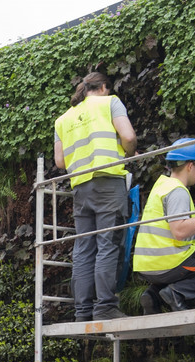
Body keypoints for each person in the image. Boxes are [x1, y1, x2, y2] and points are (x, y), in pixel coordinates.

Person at [54, 72, 137, 321]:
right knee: (108, 244)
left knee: (84, 249)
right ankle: (105, 308)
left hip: (80, 188)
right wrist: (129, 152)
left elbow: (60, 162)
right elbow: (129, 137)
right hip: (108, 181)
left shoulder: (63, 119)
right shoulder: (110, 102)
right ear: (103, 87)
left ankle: (82, 311)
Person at [133, 138, 195, 313]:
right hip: (167, 263)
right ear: (190, 166)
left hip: (148, 265)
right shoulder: (177, 191)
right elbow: (180, 231)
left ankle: (153, 295)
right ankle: (176, 293)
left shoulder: (162, 186)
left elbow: (187, 223)